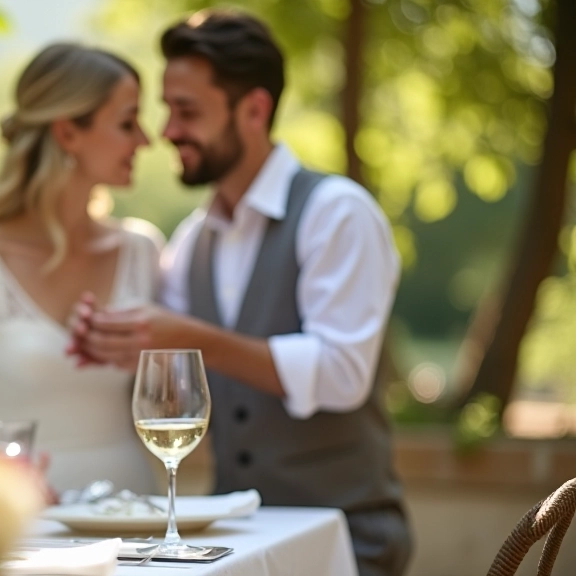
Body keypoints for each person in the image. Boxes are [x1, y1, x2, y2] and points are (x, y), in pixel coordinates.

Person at [69, 11, 411, 576]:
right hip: (236, 548)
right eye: (168, 109)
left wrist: (189, 339)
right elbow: (167, 371)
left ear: (254, 110)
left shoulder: (336, 212)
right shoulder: (193, 240)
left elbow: (342, 373)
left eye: (188, 111)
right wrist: (112, 340)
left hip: (347, 539)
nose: (169, 131)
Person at [0, 43, 159, 495]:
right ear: (69, 132)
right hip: (22, 535)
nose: (145, 140)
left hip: (141, 522)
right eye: (127, 122)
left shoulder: (143, 250)